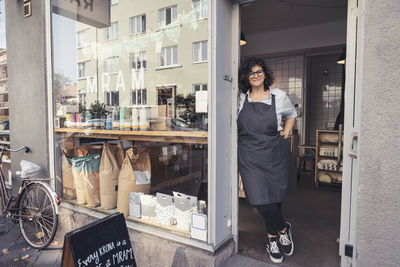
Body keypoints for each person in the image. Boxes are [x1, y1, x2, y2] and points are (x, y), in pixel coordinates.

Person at [238, 57, 297, 263]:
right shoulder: (239, 99)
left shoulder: (278, 96)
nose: (255, 75)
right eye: (251, 72)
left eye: (259, 71)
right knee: (258, 199)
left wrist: (287, 133)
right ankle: (283, 228)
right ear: (246, 76)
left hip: (275, 154)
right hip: (249, 156)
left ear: (265, 74)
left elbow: (292, 114)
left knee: (275, 199)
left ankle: (272, 239)